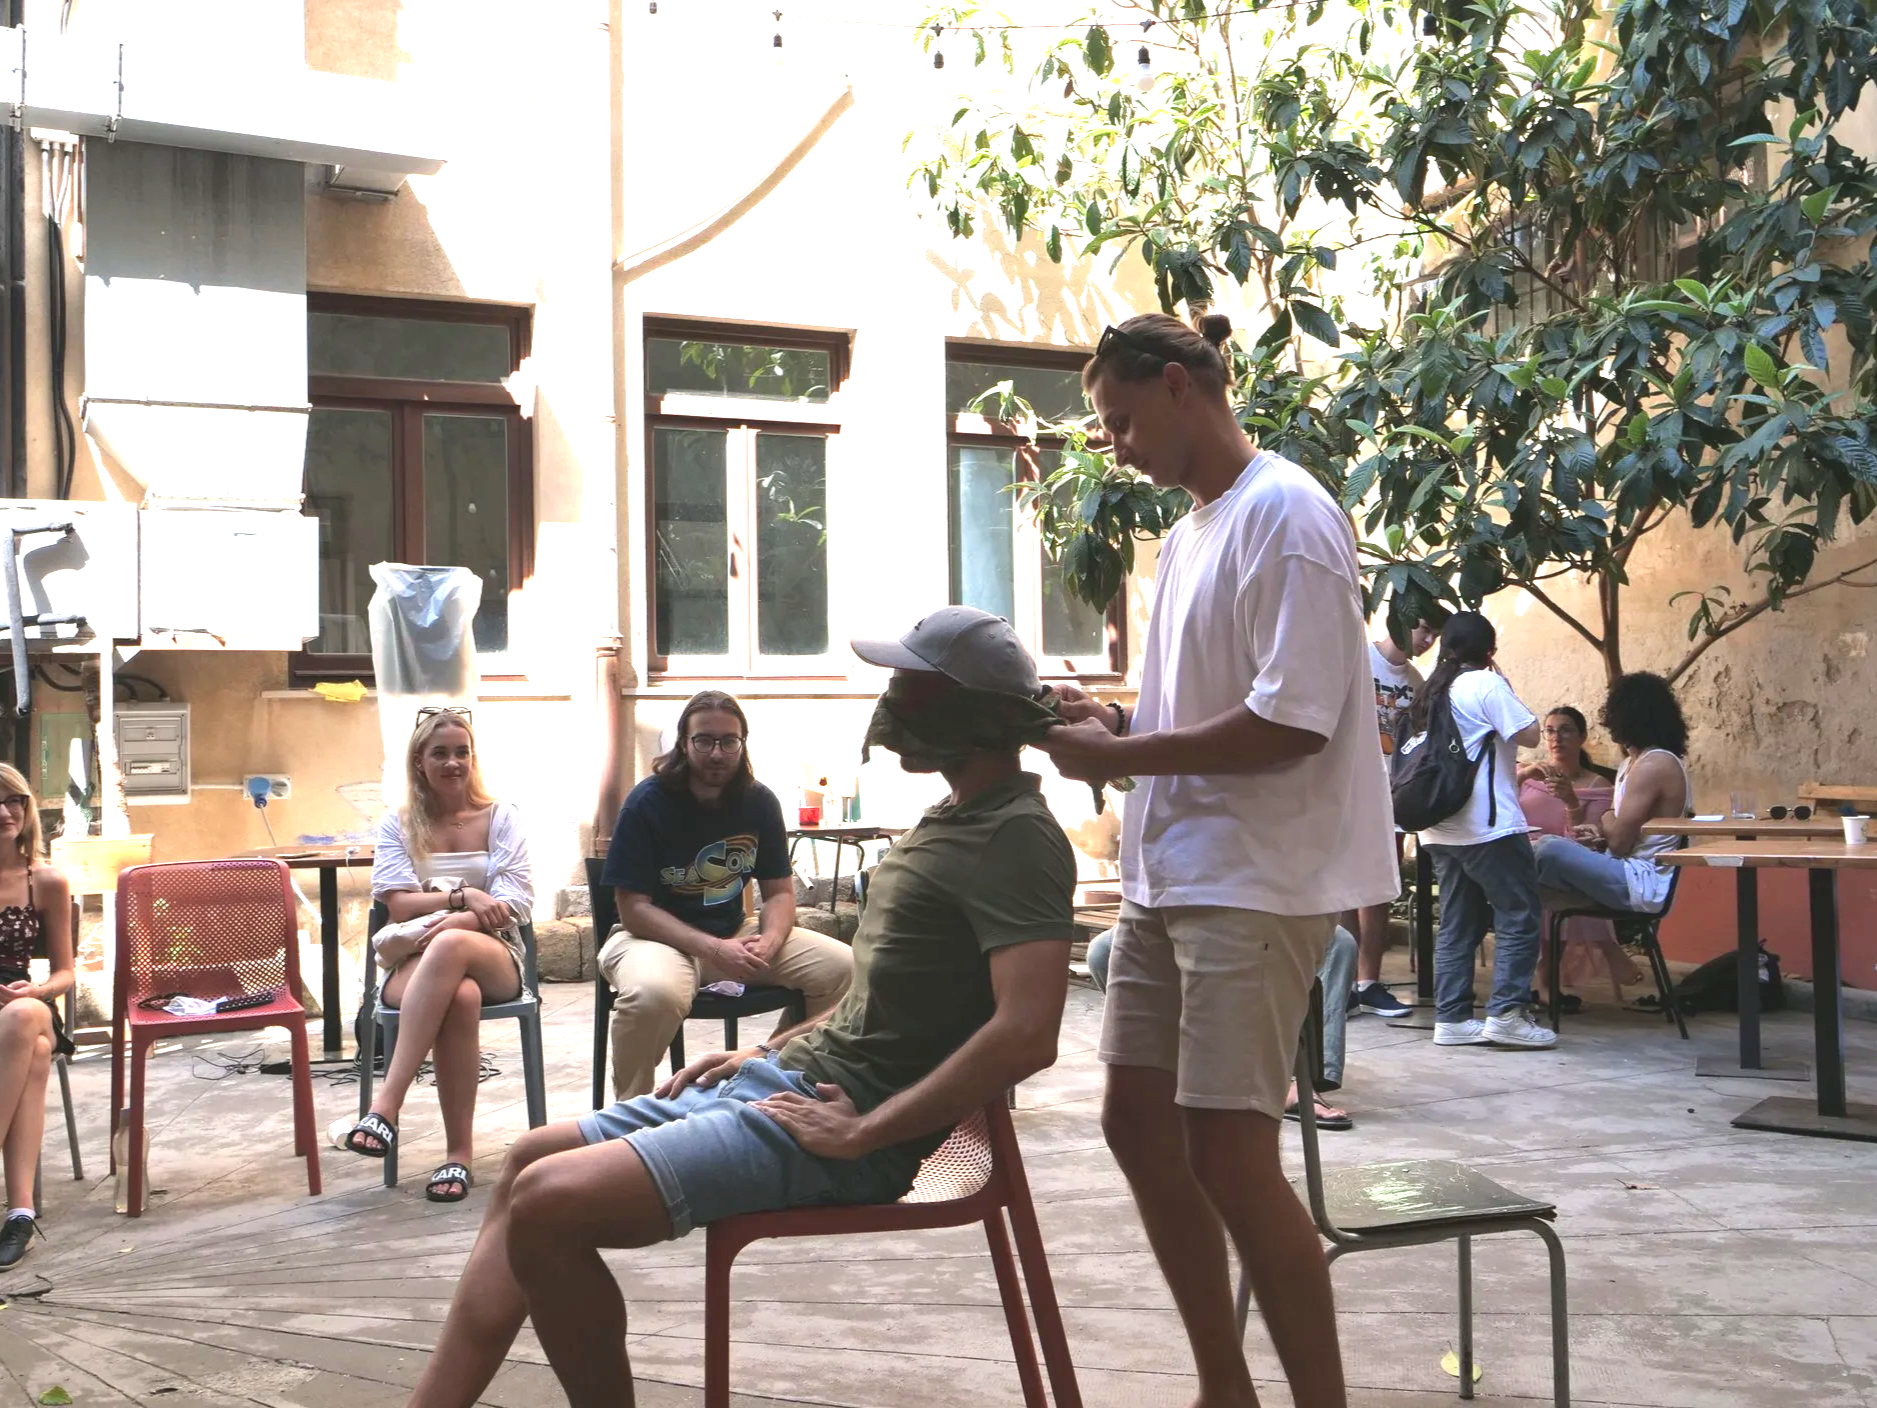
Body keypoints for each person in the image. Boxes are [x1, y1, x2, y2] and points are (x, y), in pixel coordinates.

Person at [405, 608, 1076, 1408]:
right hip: (790, 1081)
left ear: (967, 710)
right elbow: (883, 999)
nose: (890, 698)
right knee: (526, 1162)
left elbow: (1028, 1033)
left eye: (909, 683)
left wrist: (867, 1131)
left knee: (549, 1208)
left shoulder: (1018, 837)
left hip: (845, 1124)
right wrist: (771, 1048)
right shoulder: (953, 817)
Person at [1037, 312, 1399, 1408]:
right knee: (1132, 1120)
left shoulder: (1286, 515)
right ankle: (1219, 1384)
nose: (1115, 445)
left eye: (1120, 419)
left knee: (1232, 1157)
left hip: (1252, 881)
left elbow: (1289, 725)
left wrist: (1121, 749)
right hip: (1170, 872)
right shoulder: (1194, 529)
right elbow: (1199, 704)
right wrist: (1111, 716)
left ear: (1180, 386)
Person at [596, 689, 853, 1100]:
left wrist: (770, 940)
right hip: (653, 940)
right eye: (704, 740)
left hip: (735, 932)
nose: (717, 753)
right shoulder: (647, 803)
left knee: (846, 968)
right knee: (652, 996)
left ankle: (768, 1076)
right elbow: (633, 910)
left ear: (742, 743)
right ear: (684, 742)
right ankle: (629, 1114)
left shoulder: (759, 801)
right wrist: (715, 950)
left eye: (728, 741)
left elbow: (780, 893)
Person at [345, 707, 533, 1203]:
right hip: (414, 957)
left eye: (462, 752)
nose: (453, 763)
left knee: (452, 947)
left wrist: (456, 920)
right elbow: (398, 903)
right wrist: (464, 897)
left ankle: (386, 1106)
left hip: (494, 951)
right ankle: (458, 1157)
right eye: (440, 753)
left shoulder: (502, 817)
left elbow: (516, 904)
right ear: (419, 762)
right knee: (461, 997)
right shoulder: (399, 823)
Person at [1401, 612, 1555, 1050]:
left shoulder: (1429, 692)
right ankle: (1507, 1012)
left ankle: (1452, 1018)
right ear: (1488, 651)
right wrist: (1501, 679)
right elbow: (1527, 734)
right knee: (1519, 915)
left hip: (1439, 828)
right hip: (1487, 827)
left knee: (1457, 922)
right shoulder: (1485, 684)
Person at [1087, 923, 1360, 1130]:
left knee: (1339, 942)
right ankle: (1169, 1064)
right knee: (1103, 950)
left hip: (1261, 905)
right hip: (1182, 909)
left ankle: (1303, 1081)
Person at [1534, 673, 1692, 918]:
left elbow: (1618, 844)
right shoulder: (1629, 763)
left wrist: (1608, 819)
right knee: (1532, 868)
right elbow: (1617, 836)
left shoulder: (1655, 764)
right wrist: (1602, 835)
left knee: (1547, 849)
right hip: (1621, 870)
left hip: (1640, 882)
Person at [1351, 615, 1443, 1019]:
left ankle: (1367, 982)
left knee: (1376, 889)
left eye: (1435, 635)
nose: (1428, 640)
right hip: (1349, 788)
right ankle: (1344, 982)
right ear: (1401, 618)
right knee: (1342, 886)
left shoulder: (1417, 682)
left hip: (1392, 796)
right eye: (1424, 629)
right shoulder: (1357, 658)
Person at [1519, 707, 1639, 1009]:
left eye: (1566, 730)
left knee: (1562, 878)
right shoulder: (1530, 776)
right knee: (1555, 878)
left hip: (1561, 868)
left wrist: (1571, 801)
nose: (1556, 737)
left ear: (1582, 737)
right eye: (1550, 730)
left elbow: (1587, 843)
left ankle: (1546, 975)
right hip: (1521, 861)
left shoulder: (1599, 788)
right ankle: (1608, 948)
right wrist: (1522, 776)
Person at [0, 768, 72, 1270]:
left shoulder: (44, 880)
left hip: (29, 1002)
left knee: (26, 1016)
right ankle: (21, 1212)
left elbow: (67, 972)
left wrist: (39, 989)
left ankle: (20, 1212)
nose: (6, 813)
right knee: (37, 1056)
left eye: (14, 801)